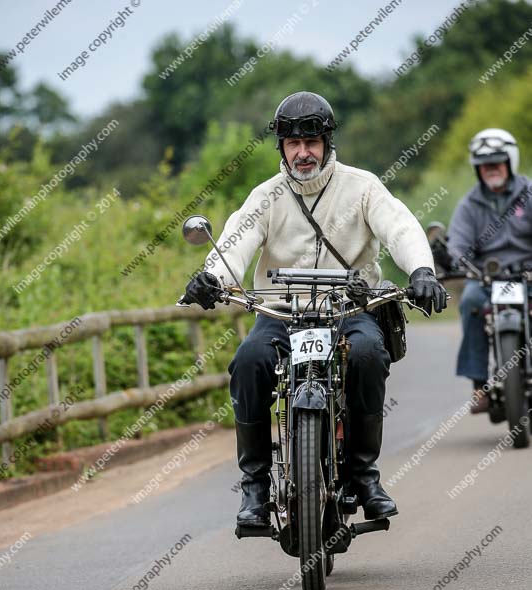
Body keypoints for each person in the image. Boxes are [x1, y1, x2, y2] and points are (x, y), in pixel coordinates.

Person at [182, 92, 446, 528]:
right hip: (282, 313)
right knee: (247, 362)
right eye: (293, 144)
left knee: (366, 355)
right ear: (282, 148)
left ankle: (364, 477)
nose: (303, 153)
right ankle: (254, 488)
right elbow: (236, 242)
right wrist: (213, 276)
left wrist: (421, 270)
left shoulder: (362, 186)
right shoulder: (265, 197)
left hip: (349, 308)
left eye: (312, 142)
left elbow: (399, 227)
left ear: (327, 142)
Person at [447, 128, 532, 412]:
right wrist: (460, 260)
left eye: (496, 162)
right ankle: (478, 385)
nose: (491, 169)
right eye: (485, 164)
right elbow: (457, 244)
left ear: (510, 161)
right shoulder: (469, 204)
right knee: (470, 301)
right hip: (486, 278)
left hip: (529, 275)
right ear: (477, 168)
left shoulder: (529, 193)